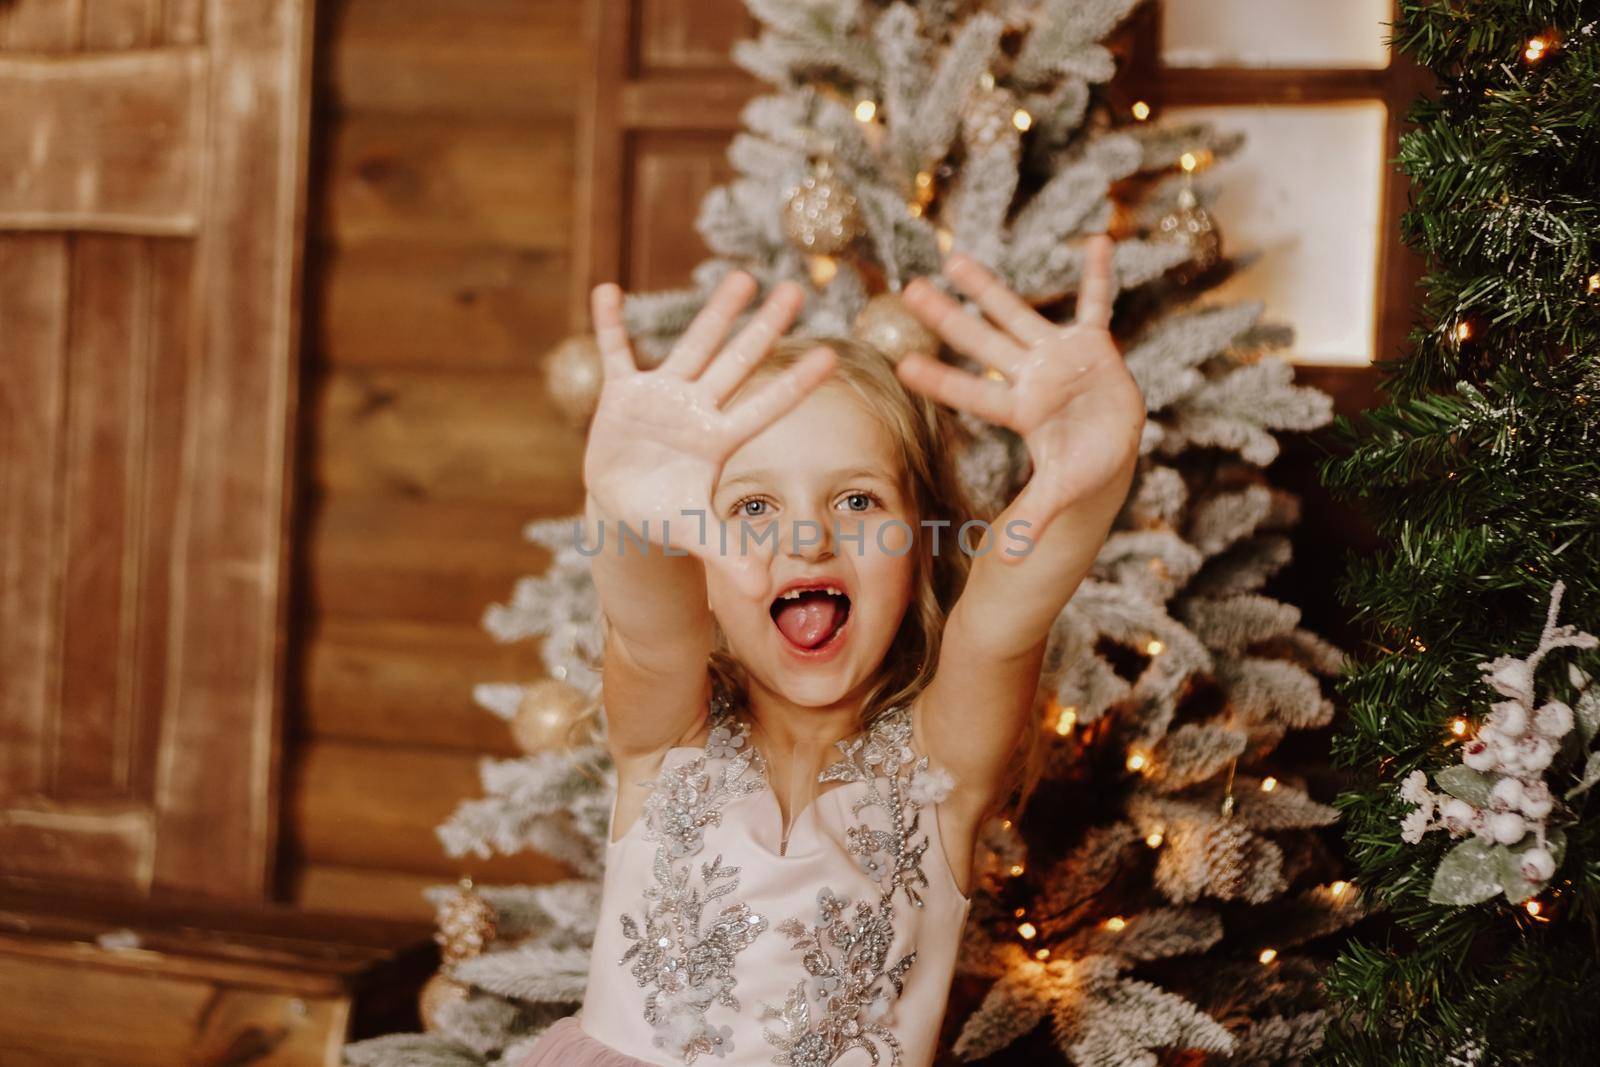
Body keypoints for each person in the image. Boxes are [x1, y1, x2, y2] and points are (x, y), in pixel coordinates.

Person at [518, 235, 1143, 1066]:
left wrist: (1082, 478)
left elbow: (1001, 623)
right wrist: (622, 504)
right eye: (751, 507)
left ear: (920, 547)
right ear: (696, 561)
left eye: (856, 498)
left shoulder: (939, 770)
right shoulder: (666, 739)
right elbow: (649, 628)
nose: (808, 537)